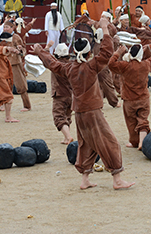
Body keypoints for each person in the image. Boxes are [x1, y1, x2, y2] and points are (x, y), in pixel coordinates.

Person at [33, 17, 134, 190]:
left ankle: (85, 179)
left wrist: (40, 51)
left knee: (86, 144)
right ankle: (117, 179)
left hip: (79, 111)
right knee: (109, 141)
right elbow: (106, 52)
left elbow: (53, 64)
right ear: (89, 54)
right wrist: (104, 29)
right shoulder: (91, 65)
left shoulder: (69, 68)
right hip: (92, 110)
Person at [109, 43, 151, 149]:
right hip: (143, 98)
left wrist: (118, 53)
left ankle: (134, 142)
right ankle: (142, 142)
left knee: (131, 122)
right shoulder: (146, 64)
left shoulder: (125, 66)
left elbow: (111, 64)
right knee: (143, 120)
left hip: (129, 99)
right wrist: (148, 51)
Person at [39, 43, 74, 144]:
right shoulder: (71, 64)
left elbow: (47, 60)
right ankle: (67, 136)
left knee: (59, 116)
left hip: (60, 94)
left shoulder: (57, 65)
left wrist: (44, 49)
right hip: (71, 94)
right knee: (67, 115)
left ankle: (68, 136)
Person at [3, 20, 31, 111]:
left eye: (7, 27)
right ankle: (4, 105)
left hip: (15, 63)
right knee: (5, 85)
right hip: (5, 63)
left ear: (12, 28)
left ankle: (27, 105)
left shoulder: (16, 37)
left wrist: (20, 50)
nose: (5, 29)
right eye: (4, 27)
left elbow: (23, 49)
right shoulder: (2, 37)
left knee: (21, 85)